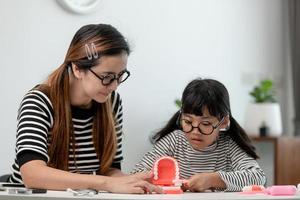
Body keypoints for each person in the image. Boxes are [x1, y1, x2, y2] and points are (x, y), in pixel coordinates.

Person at [9, 24, 162, 194]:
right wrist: (106, 183)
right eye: (106, 77)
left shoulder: (112, 102)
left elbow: (109, 170)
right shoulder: (39, 101)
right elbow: (32, 175)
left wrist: (133, 181)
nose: (114, 86)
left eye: (120, 76)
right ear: (77, 68)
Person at [132, 78, 266, 192]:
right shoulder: (174, 141)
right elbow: (135, 176)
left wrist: (213, 179)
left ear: (223, 122)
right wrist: (164, 183)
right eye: (188, 121)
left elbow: (258, 178)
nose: (195, 131)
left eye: (206, 124)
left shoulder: (229, 146)